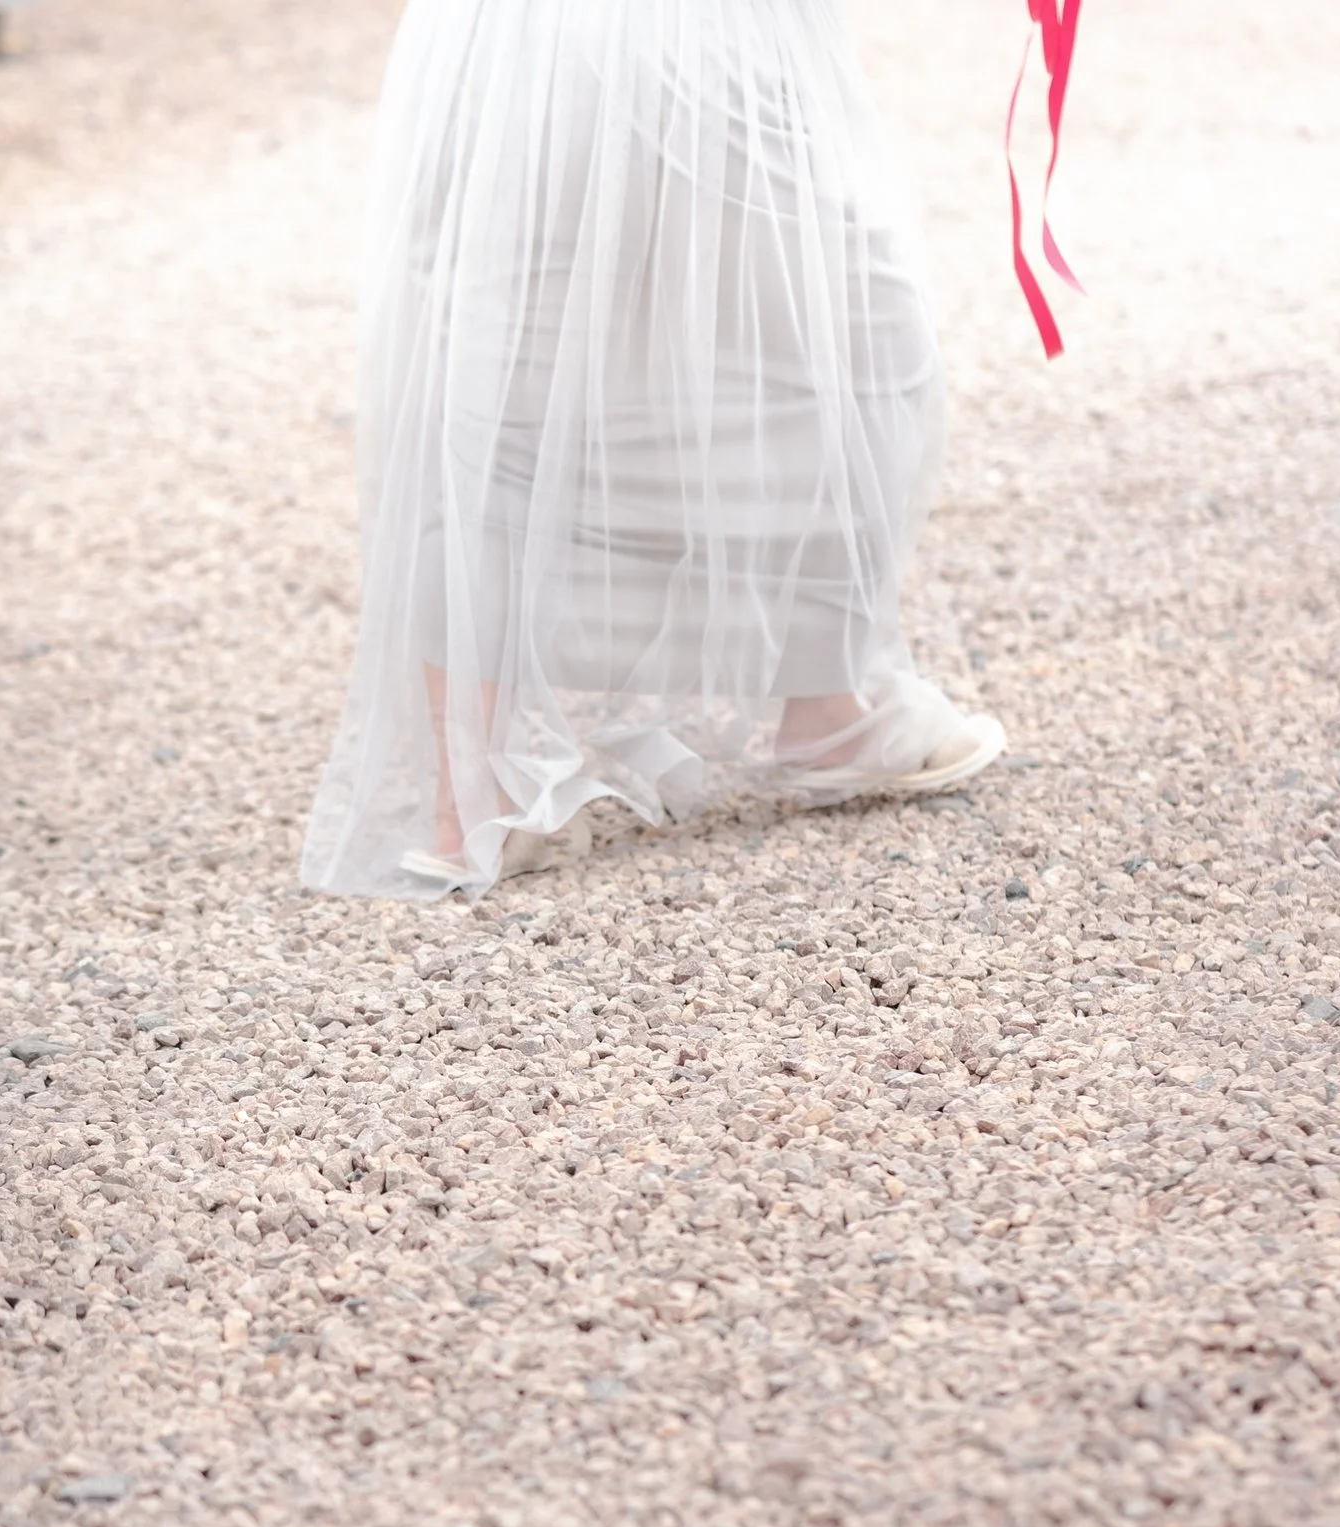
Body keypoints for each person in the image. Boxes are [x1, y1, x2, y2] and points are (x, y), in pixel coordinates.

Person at [302, 0, 1006, 899]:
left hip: (491, 37)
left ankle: (466, 801)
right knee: (855, 325)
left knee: (504, 361)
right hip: (673, 30)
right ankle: (830, 707)